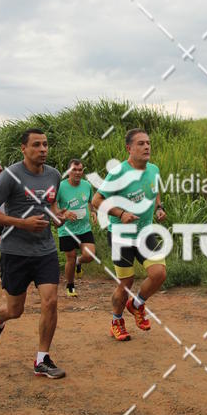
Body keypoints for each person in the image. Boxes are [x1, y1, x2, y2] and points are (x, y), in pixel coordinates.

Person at [0, 128, 76, 378]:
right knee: (15, 310)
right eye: (36, 145)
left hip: (45, 250)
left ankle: (42, 359)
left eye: (45, 144)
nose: (43, 149)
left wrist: (59, 216)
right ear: (23, 148)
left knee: (51, 301)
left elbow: (50, 205)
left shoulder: (54, 175)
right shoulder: (11, 175)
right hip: (15, 251)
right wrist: (22, 223)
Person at [91, 128, 166, 341]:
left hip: (144, 232)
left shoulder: (153, 169)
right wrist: (121, 213)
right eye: (141, 143)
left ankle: (136, 304)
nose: (147, 146)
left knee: (159, 274)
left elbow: (155, 190)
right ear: (129, 148)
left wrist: (159, 207)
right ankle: (116, 321)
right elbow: (97, 201)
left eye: (148, 143)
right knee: (126, 283)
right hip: (121, 235)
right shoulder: (118, 173)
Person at [56, 158, 97, 298]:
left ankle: (79, 262)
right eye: (74, 170)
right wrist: (64, 213)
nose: (78, 172)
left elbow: (90, 202)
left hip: (84, 228)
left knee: (89, 255)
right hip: (66, 229)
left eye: (80, 170)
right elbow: (53, 206)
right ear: (69, 171)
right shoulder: (60, 187)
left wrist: (93, 212)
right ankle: (70, 286)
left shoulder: (87, 185)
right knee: (70, 258)